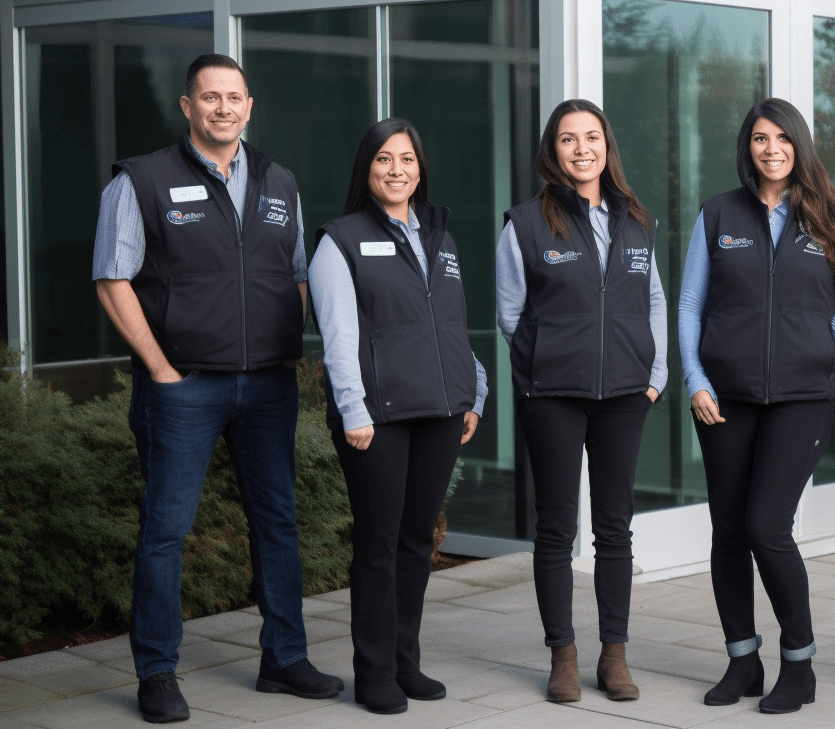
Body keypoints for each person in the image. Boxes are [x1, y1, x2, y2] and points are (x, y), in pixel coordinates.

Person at [92, 53, 342, 724]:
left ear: (250, 105)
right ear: (187, 107)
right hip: (184, 386)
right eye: (209, 97)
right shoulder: (141, 180)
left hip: (267, 385)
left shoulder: (278, 181)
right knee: (166, 531)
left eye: (234, 97)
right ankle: (157, 672)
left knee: (279, 522)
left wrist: (288, 351)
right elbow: (114, 281)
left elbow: (293, 275)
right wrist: (162, 369)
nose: (223, 108)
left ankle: (283, 658)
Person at [680, 97, 835, 715]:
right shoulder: (718, 214)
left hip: (801, 399)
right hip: (724, 399)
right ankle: (741, 662)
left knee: (767, 527)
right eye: (760, 138)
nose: (771, 149)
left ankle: (799, 663)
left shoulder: (834, 215)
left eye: (782, 138)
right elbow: (689, 306)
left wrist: (808, 349)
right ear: (748, 147)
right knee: (729, 532)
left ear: (800, 145)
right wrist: (697, 380)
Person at [310, 118, 488, 714]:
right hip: (377, 417)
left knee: (417, 542)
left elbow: (452, 325)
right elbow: (337, 335)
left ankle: (405, 662)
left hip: (439, 411)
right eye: (384, 159)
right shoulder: (340, 240)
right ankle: (373, 671)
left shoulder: (439, 235)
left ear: (420, 168)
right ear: (367, 169)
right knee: (379, 545)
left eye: (407, 159)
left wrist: (474, 389)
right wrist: (352, 408)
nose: (396, 170)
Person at [496, 99, 666, 704]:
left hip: (624, 393)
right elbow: (511, 315)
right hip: (554, 397)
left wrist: (655, 375)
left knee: (615, 528)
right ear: (553, 152)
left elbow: (653, 301)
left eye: (592, 137)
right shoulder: (524, 223)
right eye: (568, 139)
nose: (582, 149)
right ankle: (562, 655)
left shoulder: (635, 219)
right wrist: (545, 370)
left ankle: (613, 655)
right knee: (556, 529)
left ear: (607, 146)